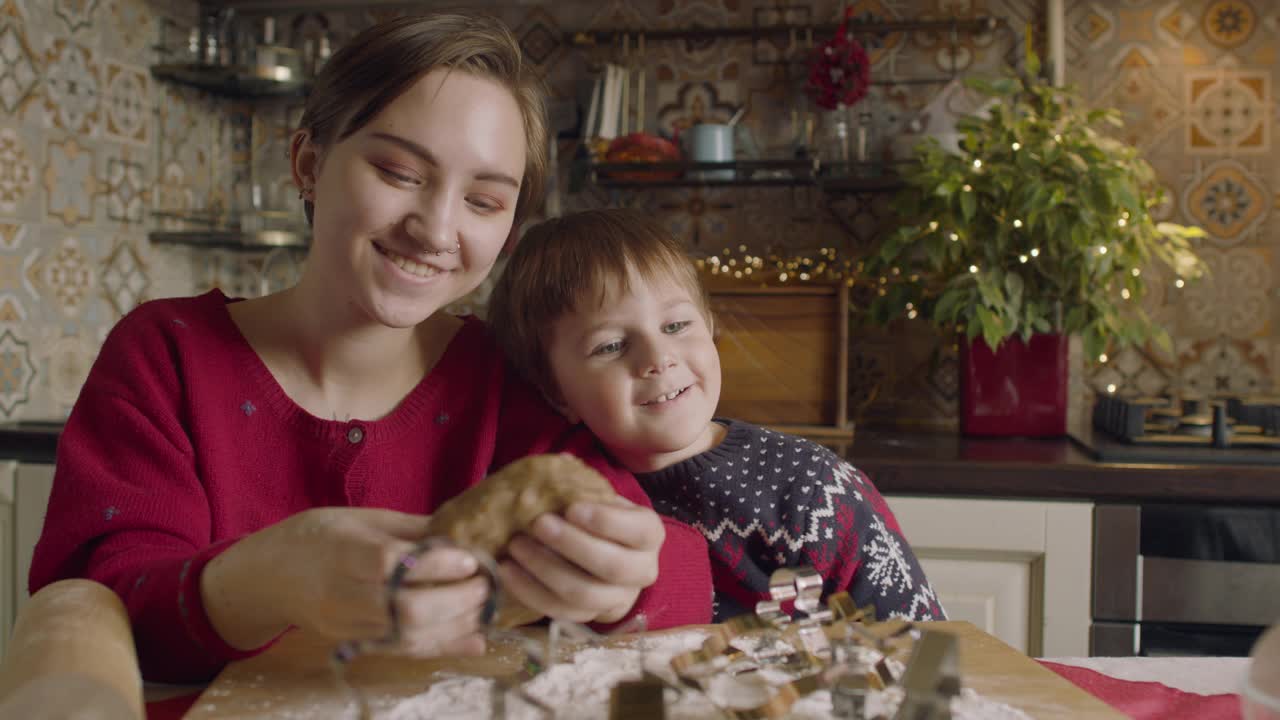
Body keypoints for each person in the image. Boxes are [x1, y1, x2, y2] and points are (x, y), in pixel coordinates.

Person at [28, 15, 712, 684]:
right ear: (308, 163)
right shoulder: (166, 357)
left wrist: (624, 581)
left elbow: (679, 573)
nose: (435, 227)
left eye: (482, 201)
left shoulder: (508, 377)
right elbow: (94, 608)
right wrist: (266, 579)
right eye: (399, 172)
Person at [487, 208, 945, 623]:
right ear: (555, 392)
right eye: (611, 345)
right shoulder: (562, 504)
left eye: (676, 325)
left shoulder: (814, 490)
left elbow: (916, 644)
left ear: (709, 327)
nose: (658, 357)